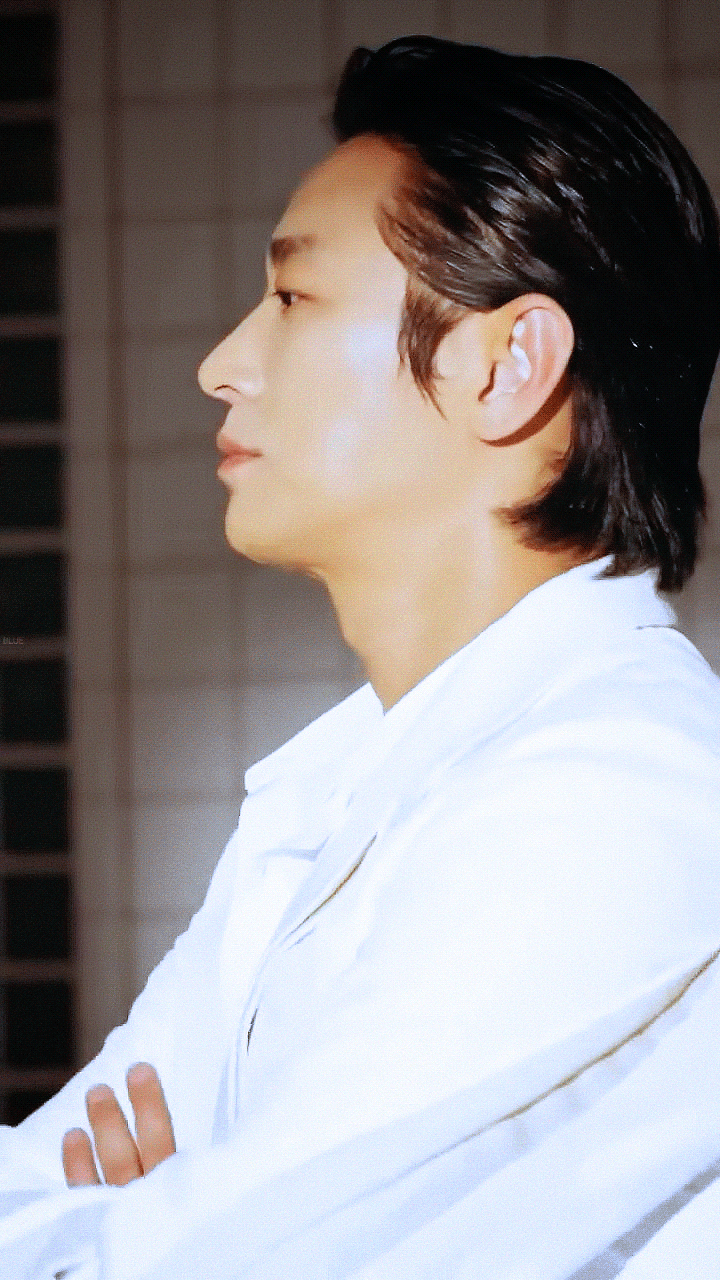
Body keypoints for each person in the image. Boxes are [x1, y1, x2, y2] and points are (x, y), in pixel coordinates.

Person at [1, 34, 720, 1279]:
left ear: (507, 366)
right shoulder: (346, 789)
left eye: (292, 299)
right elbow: (57, 1181)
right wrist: (145, 1227)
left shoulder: (616, 789)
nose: (221, 365)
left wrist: (153, 1228)